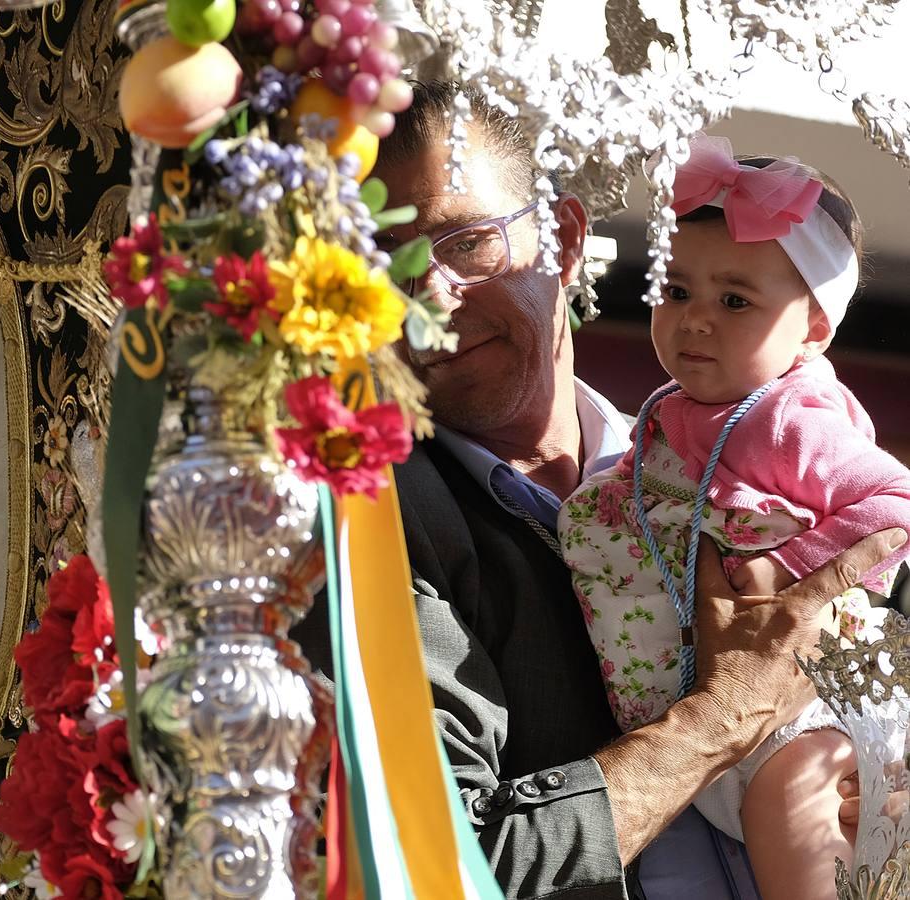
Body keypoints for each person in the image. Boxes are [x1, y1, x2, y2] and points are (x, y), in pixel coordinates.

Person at [293, 80, 907, 899]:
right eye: (382, 264)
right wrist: (719, 719)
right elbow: (441, 867)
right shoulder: (372, 523)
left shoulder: (727, 463)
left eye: (465, 242)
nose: (425, 299)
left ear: (564, 238)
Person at [558, 133, 910, 899]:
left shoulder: (788, 418)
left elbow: (895, 506)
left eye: (735, 301)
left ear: (813, 329)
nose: (694, 321)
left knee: (793, 802)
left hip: (803, 703)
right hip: (703, 717)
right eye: (674, 291)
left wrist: (789, 569)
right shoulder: (666, 414)